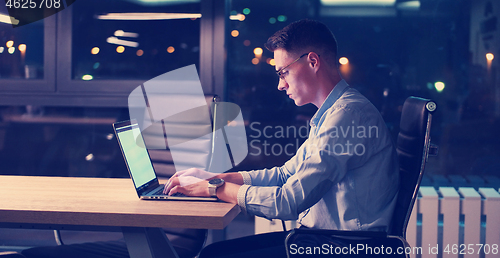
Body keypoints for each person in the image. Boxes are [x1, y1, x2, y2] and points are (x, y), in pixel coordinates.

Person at [164, 19, 400, 257]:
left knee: (214, 256)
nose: (280, 84)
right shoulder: (334, 113)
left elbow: (288, 201)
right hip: (322, 240)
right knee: (215, 252)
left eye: (283, 72)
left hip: (343, 247)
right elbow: (285, 174)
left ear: (312, 61)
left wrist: (215, 189)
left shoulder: (348, 116)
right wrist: (216, 177)